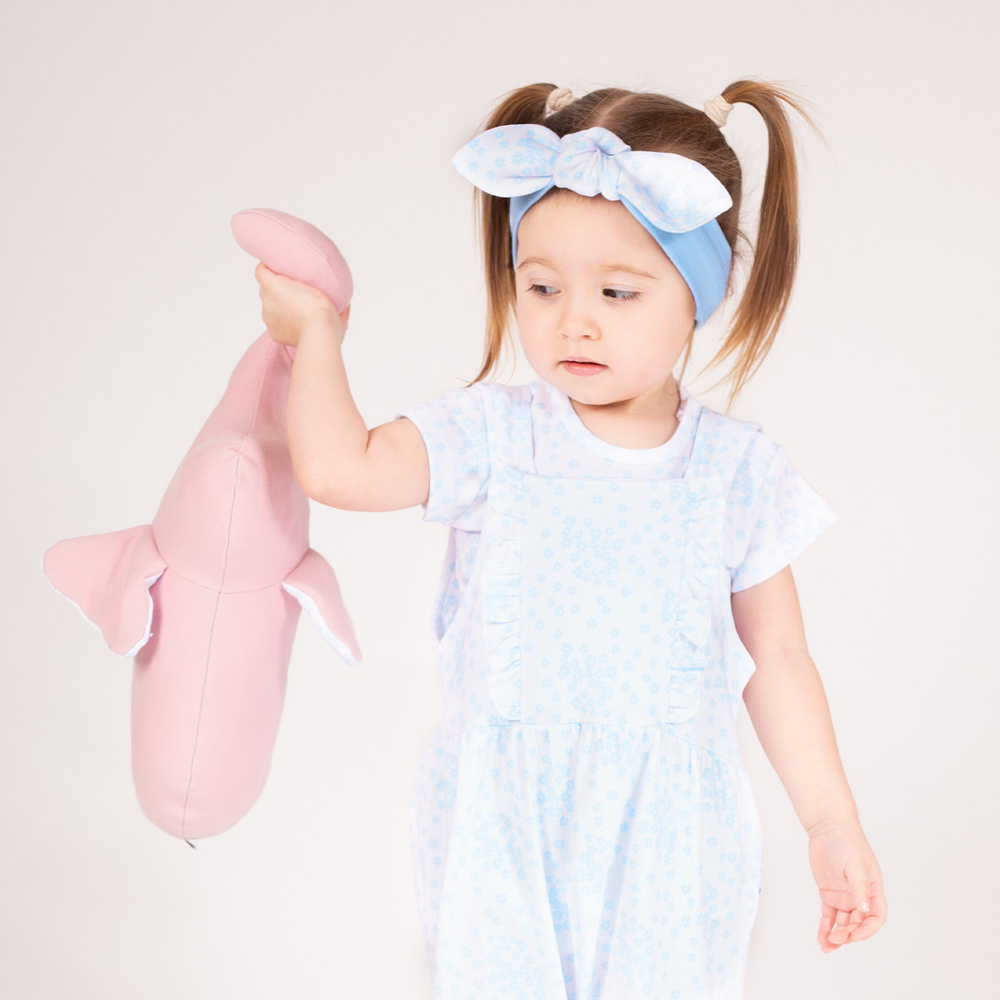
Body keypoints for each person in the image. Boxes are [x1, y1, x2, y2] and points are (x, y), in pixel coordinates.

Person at [255, 80, 887, 999]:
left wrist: (830, 820)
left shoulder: (736, 471)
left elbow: (781, 659)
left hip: (670, 841)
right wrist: (315, 337)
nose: (573, 321)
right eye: (542, 286)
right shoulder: (491, 436)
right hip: (502, 830)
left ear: (698, 294)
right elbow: (339, 470)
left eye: (618, 292)